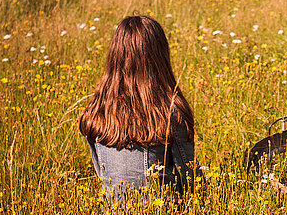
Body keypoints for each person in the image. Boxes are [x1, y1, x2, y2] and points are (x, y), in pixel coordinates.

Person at [79, 14, 205, 202]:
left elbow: (103, 174)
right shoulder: (168, 112)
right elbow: (190, 180)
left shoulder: (96, 112)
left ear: (115, 57)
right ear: (159, 59)